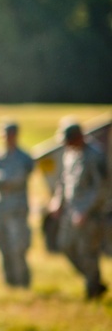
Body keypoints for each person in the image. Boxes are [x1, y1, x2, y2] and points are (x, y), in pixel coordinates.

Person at [48, 118, 108, 300]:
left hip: (90, 215)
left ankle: (93, 292)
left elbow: (102, 189)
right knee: (65, 246)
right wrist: (57, 201)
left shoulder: (95, 156)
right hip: (71, 212)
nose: (66, 144)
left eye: (69, 140)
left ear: (79, 137)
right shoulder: (70, 153)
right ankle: (95, 282)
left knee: (87, 252)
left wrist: (85, 211)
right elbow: (64, 180)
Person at [0, 120, 35, 288]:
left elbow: (19, 178)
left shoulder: (24, 158)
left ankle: (22, 282)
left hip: (17, 210)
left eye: (10, 135)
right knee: (1, 245)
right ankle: (9, 283)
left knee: (18, 247)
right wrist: (2, 180)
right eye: (4, 135)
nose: (7, 138)